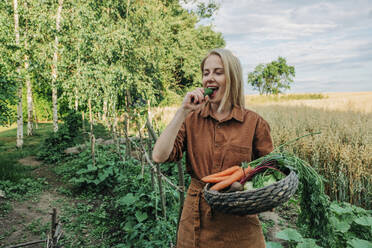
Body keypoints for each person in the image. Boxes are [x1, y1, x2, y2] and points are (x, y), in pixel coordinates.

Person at [152, 48, 273, 248]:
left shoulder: (254, 123)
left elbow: (269, 173)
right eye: (206, 73)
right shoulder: (191, 119)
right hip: (196, 220)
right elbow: (159, 155)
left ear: (232, 78)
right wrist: (182, 111)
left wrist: (240, 185)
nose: (209, 78)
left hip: (239, 225)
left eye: (218, 72)